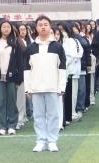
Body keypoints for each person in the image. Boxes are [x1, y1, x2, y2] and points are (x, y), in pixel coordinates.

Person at [24, 15, 67, 152]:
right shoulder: (30, 48)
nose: (43, 27)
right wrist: (27, 88)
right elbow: (27, 69)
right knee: (38, 116)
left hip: (53, 87)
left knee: (53, 115)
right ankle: (40, 141)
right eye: (40, 25)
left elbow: (62, 68)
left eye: (45, 24)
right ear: (36, 28)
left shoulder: (57, 46)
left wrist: (61, 87)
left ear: (50, 27)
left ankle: (52, 141)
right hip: (36, 87)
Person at [0, 20, 24, 135]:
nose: (6, 29)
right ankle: (2, 125)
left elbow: (20, 62)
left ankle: (12, 124)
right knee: (1, 102)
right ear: (0, 29)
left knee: (12, 101)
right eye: (3, 27)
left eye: (8, 27)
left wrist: (20, 78)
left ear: (11, 29)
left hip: (12, 77)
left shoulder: (16, 43)